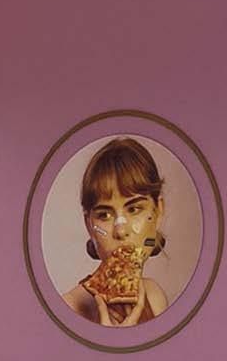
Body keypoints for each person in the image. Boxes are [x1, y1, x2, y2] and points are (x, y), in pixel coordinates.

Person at [62, 137, 169, 326]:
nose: (120, 231)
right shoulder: (66, 310)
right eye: (104, 215)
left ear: (158, 211)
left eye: (134, 209)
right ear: (89, 225)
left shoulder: (155, 297)